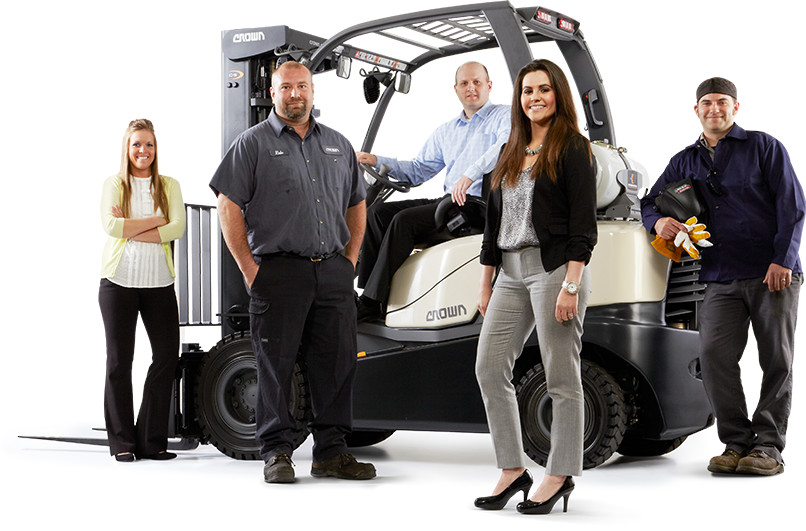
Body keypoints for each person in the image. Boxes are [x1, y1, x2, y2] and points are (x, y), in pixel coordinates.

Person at [209, 61, 375, 483]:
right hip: (279, 272)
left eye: (302, 86)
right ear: (272, 90)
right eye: (287, 87)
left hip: (332, 273)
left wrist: (350, 261)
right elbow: (228, 204)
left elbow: (358, 202)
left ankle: (331, 452)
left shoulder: (337, 144)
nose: (295, 94)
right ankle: (277, 451)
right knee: (275, 365)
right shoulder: (253, 143)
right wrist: (250, 270)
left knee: (337, 363)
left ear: (313, 91)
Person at [641, 77, 803, 476]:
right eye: (707, 103)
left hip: (772, 274)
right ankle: (736, 442)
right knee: (714, 357)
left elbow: (793, 206)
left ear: (736, 108)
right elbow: (649, 201)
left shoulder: (764, 147)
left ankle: (768, 446)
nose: (715, 109)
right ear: (696, 110)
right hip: (718, 276)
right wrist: (658, 220)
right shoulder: (684, 160)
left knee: (776, 360)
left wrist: (782, 260)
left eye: (722, 102)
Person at [474, 59, 597, 514]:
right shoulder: (511, 148)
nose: (535, 98)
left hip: (553, 271)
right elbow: (493, 225)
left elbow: (584, 225)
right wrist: (485, 285)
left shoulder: (573, 148)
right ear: (518, 98)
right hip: (508, 272)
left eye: (544, 89)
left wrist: (571, 284)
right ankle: (512, 469)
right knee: (488, 367)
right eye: (527, 91)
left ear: (557, 94)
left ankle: (560, 473)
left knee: (560, 376)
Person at [355, 61, 510, 321]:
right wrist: (376, 160)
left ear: (489, 86)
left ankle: (371, 302)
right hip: (450, 200)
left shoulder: (504, 116)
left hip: (481, 205)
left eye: (477, 82)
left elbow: (504, 147)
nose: (470, 88)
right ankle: (371, 296)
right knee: (377, 213)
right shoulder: (447, 131)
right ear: (456, 89)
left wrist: (469, 174)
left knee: (404, 222)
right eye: (464, 83)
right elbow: (418, 170)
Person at [99, 118, 186, 462]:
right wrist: (155, 220)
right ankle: (122, 442)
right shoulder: (115, 184)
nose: (143, 151)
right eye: (137, 144)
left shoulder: (169, 185)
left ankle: (152, 440)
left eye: (148, 144)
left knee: (166, 357)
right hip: (118, 282)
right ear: (127, 148)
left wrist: (131, 226)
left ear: (155, 149)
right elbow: (111, 225)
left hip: (159, 283)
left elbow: (177, 227)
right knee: (120, 361)